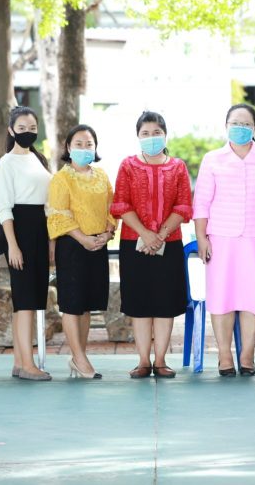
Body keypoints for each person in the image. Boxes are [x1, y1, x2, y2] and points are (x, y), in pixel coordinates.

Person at [193, 103, 255, 377]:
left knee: (254, 297)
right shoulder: (213, 159)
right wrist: (201, 237)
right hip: (221, 237)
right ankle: (225, 355)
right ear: (226, 126)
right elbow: (201, 201)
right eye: (235, 123)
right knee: (222, 297)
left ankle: (247, 355)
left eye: (246, 124)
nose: (240, 128)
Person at [112, 111, 193, 379]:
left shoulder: (178, 167)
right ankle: (143, 361)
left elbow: (184, 205)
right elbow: (121, 204)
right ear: (138, 136)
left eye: (156, 132)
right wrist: (145, 234)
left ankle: (160, 360)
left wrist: (159, 235)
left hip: (170, 244)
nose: (151, 137)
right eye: (145, 133)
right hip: (133, 244)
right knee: (140, 304)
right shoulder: (128, 165)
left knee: (165, 304)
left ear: (165, 135)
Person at [46, 124, 116, 380]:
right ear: (68, 147)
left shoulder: (102, 176)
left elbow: (112, 207)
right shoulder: (61, 178)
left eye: (89, 144)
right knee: (72, 305)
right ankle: (79, 357)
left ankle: (79, 357)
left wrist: (107, 233)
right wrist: (83, 238)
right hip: (72, 245)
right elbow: (58, 214)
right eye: (79, 144)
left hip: (98, 244)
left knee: (87, 305)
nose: (84, 148)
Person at [0, 106, 53, 382]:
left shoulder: (38, 159)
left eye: (32, 128)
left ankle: (19, 362)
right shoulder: (6, 163)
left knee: (30, 300)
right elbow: (4, 208)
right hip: (20, 231)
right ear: (11, 130)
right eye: (21, 128)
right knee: (25, 300)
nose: (27, 132)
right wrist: (13, 245)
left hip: (40, 230)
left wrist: (51, 240)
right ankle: (28, 364)